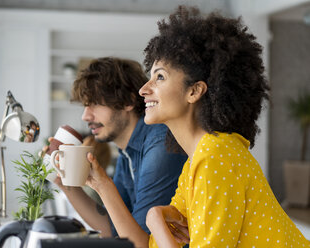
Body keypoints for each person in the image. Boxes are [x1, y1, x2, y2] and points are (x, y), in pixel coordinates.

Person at [137, 5, 310, 248]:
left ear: (194, 90)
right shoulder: (198, 161)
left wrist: (154, 218)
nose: (144, 89)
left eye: (160, 77)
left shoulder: (215, 157)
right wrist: (158, 223)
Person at [49, 57, 187, 243]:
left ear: (128, 101)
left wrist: (103, 184)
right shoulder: (126, 152)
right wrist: (65, 183)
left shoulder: (160, 144)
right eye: (85, 105)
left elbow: (140, 244)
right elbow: (110, 228)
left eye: (95, 104)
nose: (85, 116)